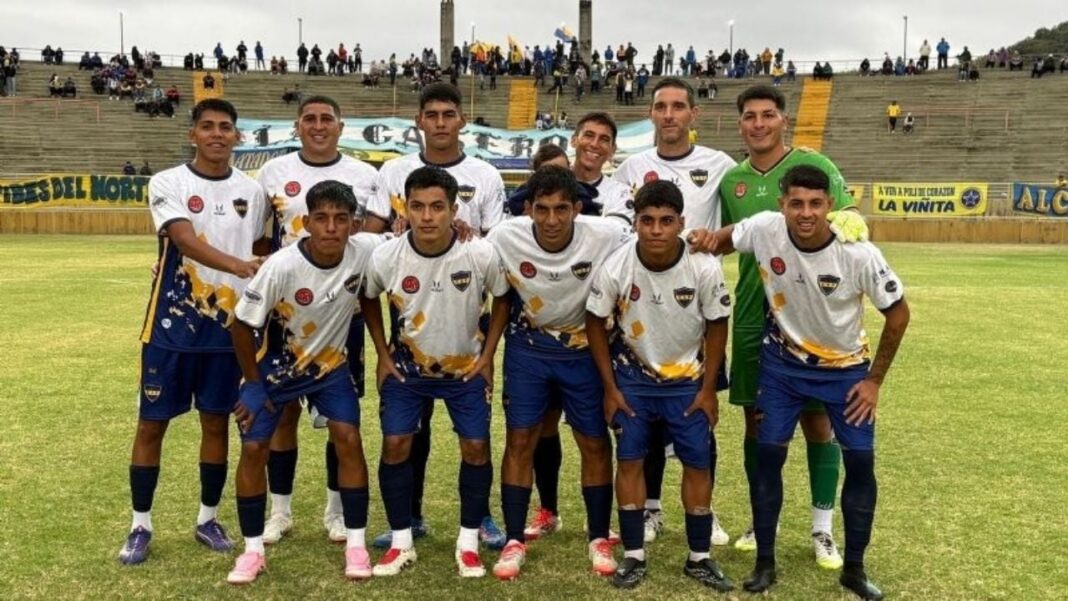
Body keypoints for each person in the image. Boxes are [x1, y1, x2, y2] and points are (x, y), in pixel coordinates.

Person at [708, 164, 910, 601]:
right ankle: (765, 561)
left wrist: (874, 381)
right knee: (767, 455)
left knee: (860, 462)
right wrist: (700, 243)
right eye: (796, 203)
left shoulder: (858, 253)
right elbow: (723, 239)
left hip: (846, 371)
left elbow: (898, 313)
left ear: (830, 206)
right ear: (781, 205)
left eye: (815, 204)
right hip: (783, 367)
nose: (805, 212)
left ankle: (854, 569)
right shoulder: (764, 230)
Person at [716, 84, 869, 568]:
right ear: (740, 123)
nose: (758, 124)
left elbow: (845, 219)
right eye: (749, 117)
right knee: (756, 422)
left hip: (811, 317)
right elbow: (726, 240)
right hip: (749, 313)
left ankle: (823, 529)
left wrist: (853, 221)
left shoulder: (814, 167)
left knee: (818, 420)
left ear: (783, 120)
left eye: (767, 115)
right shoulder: (732, 180)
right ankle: (764, 521)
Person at [117, 98, 268, 566]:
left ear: (237, 136)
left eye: (226, 127)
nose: (218, 134)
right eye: (208, 127)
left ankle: (207, 518)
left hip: (229, 329)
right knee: (151, 423)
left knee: (215, 421)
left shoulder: (254, 190)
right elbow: (183, 239)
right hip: (171, 326)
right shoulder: (168, 181)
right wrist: (240, 265)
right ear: (193, 134)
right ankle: (140, 524)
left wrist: (255, 268)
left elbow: (262, 243)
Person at [364, 83, 507, 551]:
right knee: (408, 432)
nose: (441, 122)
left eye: (449, 113)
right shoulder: (394, 171)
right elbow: (375, 233)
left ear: (461, 119)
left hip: (465, 309)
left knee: (474, 437)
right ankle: (411, 518)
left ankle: (480, 517)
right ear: (419, 121)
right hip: (411, 312)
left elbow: (496, 242)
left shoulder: (484, 174)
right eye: (432, 114)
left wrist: (463, 239)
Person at [224, 181, 385, 584]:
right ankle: (252, 550)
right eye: (322, 218)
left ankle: (356, 543)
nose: (331, 227)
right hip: (276, 367)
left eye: (341, 219)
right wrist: (253, 382)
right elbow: (241, 326)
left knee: (348, 437)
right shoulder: (282, 266)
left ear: (354, 224)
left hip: (330, 368)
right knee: (255, 445)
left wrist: (463, 230)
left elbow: (411, 238)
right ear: (306, 221)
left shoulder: (365, 250)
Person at [483, 166, 634, 580]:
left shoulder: (607, 234)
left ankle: (599, 536)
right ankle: (514, 539)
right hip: (528, 347)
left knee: (593, 441)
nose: (551, 220)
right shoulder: (503, 237)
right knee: (520, 438)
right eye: (542, 209)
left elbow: (649, 251)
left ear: (577, 209)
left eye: (561, 210)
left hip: (584, 349)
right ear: (528, 208)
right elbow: (473, 267)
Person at [586, 179, 733, 591]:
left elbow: (718, 324)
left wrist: (707, 388)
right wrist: (610, 387)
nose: (655, 230)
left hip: (687, 383)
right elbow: (594, 323)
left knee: (698, 464)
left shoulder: (703, 266)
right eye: (647, 220)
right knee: (629, 461)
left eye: (666, 221)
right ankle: (633, 556)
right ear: (635, 223)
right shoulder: (617, 265)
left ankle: (699, 558)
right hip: (633, 380)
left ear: (681, 223)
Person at [612, 77, 736, 544]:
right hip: (644, 308)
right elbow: (617, 228)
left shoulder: (721, 166)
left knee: (697, 416)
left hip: (698, 311)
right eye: (661, 106)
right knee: (647, 416)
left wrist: (715, 241)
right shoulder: (632, 166)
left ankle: (705, 511)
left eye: (678, 106)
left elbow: (741, 228)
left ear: (692, 115)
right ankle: (650, 507)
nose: (669, 115)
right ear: (651, 113)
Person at [253, 95, 382, 546]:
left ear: (341, 126)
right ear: (297, 126)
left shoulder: (366, 175)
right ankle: (280, 511)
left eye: (327, 118)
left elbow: (380, 239)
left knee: (337, 421)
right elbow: (257, 241)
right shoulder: (272, 172)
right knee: (282, 413)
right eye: (310, 119)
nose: (319, 125)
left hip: (339, 312)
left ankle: (336, 512)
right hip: (283, 314)